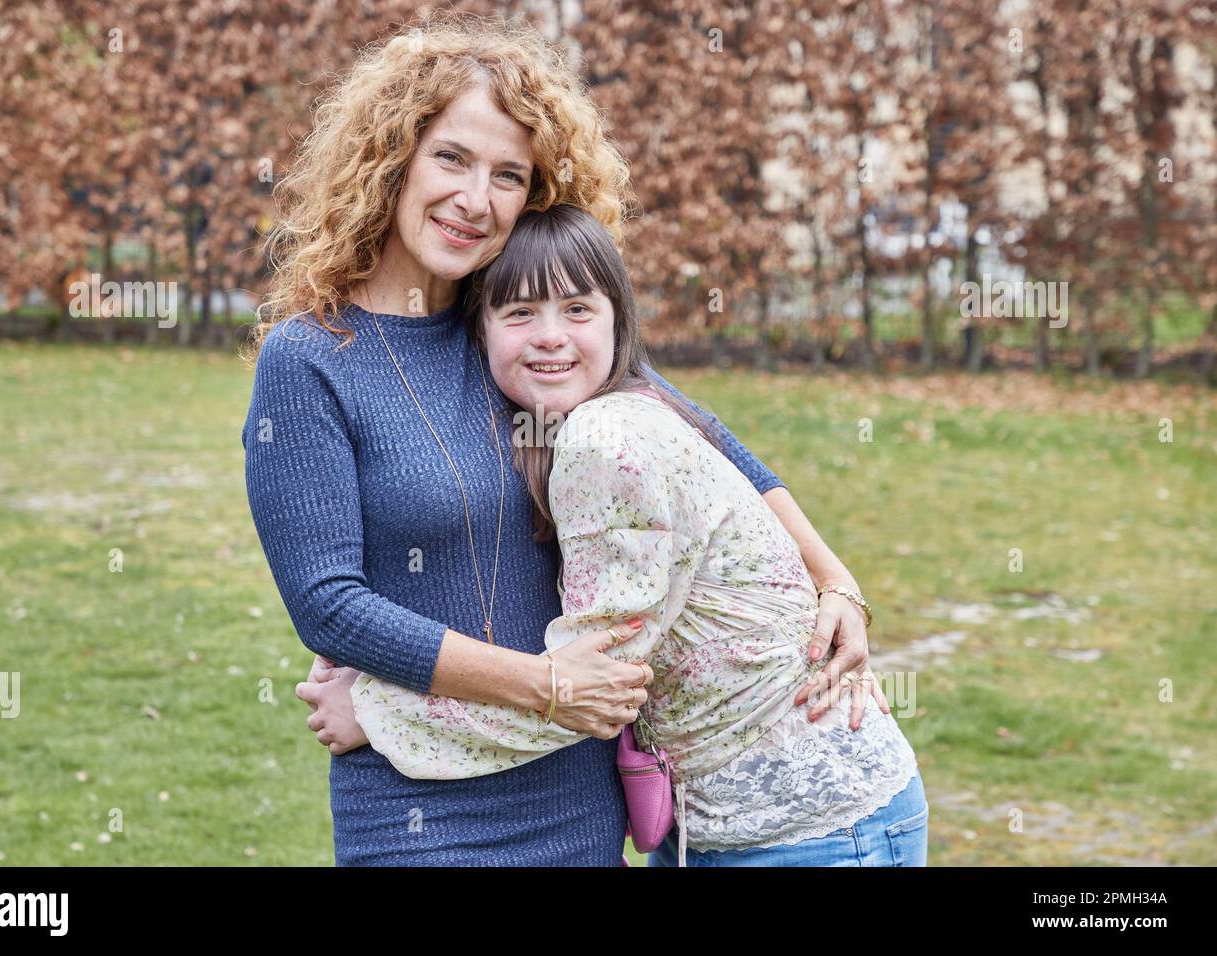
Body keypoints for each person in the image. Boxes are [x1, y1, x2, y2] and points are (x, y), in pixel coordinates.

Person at [245, 11, 881, 866]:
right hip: (415, 805)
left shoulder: (516, 331)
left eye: (509, 174)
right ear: (392, 161)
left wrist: (837, 582)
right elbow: (330, 604)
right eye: (452, 159)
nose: (476, 199)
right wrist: (545, 685)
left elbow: (708, 439)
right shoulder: (309, 360)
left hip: (575, 789)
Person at [324, 204, 928, 867]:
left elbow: (598, 684)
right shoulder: (613, 412)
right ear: (482, 332)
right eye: (520, 313)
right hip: (726, 829)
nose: (550, 336)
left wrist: (377, 715)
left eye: (578, 310)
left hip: (814, 831)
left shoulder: (605, 439)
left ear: (619, 323)